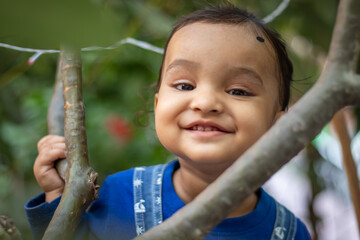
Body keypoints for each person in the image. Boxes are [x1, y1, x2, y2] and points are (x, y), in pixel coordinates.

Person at [25, 4, 311, 240]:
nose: (205, 102)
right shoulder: (119, 196)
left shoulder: (288, 233)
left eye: (238, 91)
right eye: (185, 85)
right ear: (157, 103)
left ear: (279, 129)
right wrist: (58, 197)